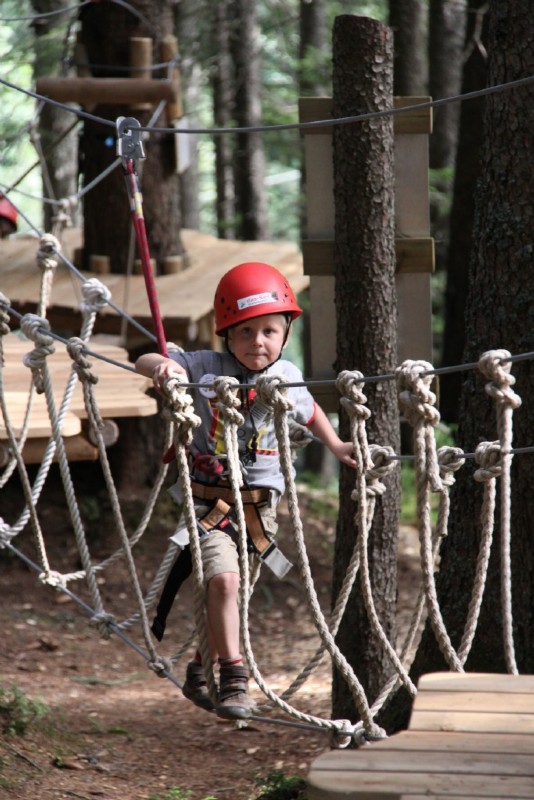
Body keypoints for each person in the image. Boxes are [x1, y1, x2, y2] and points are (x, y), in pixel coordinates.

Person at [135, 262, 356, 720]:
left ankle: (201, 664)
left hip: (258, 510)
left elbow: (310, 409)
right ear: (226, 334)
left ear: (287, 331)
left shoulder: (286, 379)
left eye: (269, 331)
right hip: (209, 503)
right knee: (224, 581)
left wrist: (334, 443)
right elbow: (149, 358)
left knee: (235, 591)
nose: (258, 341)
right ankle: (235, 678)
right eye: (246, 331)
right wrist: (165, 371)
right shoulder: (204, 368)